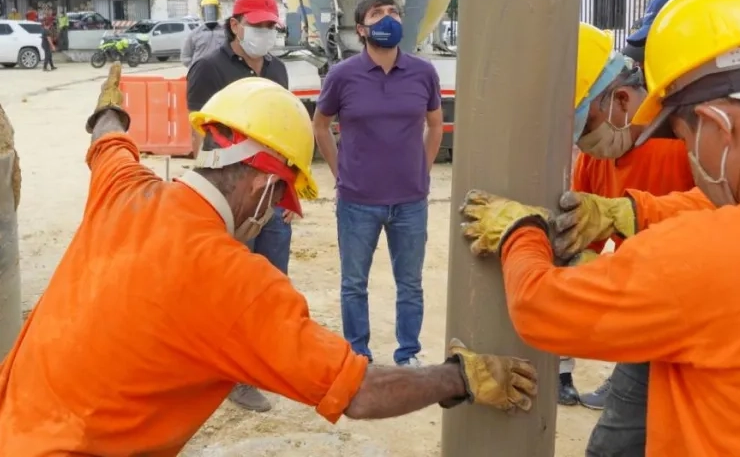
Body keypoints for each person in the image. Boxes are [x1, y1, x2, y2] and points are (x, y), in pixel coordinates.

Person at [0, 64, 538, 455]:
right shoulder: (236, 282)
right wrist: (460, 377)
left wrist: (110, 110)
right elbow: (360, 391)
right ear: (261, 185)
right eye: (282, 199)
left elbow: (108, 141)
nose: (278, 216)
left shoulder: (125, 190)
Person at [459, 0, 740, 454]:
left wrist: (521, 231)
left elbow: (543, 309)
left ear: (718, 126)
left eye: (682, 136)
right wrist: (633, 212)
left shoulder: (706, 255)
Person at [551, 17, 696, 455]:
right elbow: (585, 234)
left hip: (701, 311)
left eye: (586, 123)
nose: (585, 140)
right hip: (652, 316)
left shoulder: (689, 147)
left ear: (620, 98)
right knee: (613, 445)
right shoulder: (598, 157)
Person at [312, 0, 444, 367]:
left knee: (411, 285)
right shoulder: (342, 76)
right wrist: (341, 173)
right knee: (354, 284)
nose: (388, 18)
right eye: (377, 13)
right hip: (358, 202)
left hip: (410, 201)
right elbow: (321, 126)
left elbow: (435, 124)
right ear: (361, 29)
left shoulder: (423, 73)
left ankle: (408, 354)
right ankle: (358, 355)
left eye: (394, 12)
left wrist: (424, 168)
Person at [186, 0, 293, 412]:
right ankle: (229, 375)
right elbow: (200, 135)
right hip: (231, 200)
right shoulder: (208, 69)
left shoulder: (278, 71)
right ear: (235, 25)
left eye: (271, 27)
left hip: (271, 193)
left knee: (271, 284)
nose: (265, 34)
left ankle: (262, 363)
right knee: (231, 287)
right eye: (258, 26)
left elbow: (284, 133)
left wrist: (286, 197)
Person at [181, 0, 227, 68]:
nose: (210, 13)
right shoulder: (194, 34)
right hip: (200, 73)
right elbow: (185, 57)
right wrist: (194, 68)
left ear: (218, 11)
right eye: (207, 10)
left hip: (221, 72)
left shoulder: (226, 33)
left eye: (213, 9)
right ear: (201, 12)